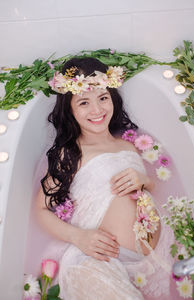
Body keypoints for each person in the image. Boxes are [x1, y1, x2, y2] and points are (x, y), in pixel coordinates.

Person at [36, 57, 173, 300]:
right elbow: (40, 211)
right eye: (84, 102)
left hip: (155, 256)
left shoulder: (128, 145)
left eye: (103, 98)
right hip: (98, 258)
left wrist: (146, 181)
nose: (97, 110)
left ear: (113, 98)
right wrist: (78, 236)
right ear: (70, 109)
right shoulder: (70, 153)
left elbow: (152, 190)